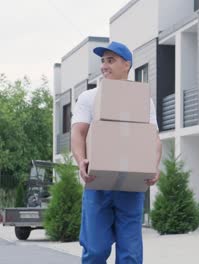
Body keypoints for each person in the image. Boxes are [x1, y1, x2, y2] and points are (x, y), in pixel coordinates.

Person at [71, 41, 162, 264]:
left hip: (130, 185)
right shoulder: (89, 97)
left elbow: (153, 138)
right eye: (102, 61)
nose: (104, 66)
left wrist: (154, 166)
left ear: (126, 65)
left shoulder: (142, 99)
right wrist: (81, 161)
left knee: (130, 254)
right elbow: (78, 133)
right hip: (98, 182)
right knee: (95, 250)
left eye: (110, 60)